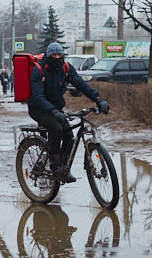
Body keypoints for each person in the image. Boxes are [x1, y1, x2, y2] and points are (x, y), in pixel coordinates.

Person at [28, 42, 109, 184]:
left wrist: (98, 99)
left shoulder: (65, 68)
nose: (57, 57)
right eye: (54, 55)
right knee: (56, 128)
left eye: (59, 54)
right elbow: (38, 96)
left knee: (69, 136)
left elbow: (80, 83)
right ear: (48, 55)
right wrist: (53, 111)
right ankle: (54, 165)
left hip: (56, 109)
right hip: (38, 109)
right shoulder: (39, 70)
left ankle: (63, 169)